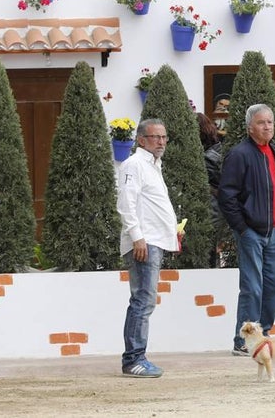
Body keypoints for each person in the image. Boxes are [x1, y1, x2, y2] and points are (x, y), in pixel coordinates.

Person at [218, 104, 275, 356]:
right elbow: (227, 195)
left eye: (270, 122)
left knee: (274, 286)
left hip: (274, 232)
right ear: (250, 127)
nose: (267, 126)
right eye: (261, 122)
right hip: (251, 231)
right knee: (252, 286)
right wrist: (241, 227)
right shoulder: (240, 154)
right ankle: (243, 340)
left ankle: (263, 334)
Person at [115, 119, 178, 378]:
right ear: (141, 140)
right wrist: (138, 237)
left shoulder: (153, 166)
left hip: (153, 240)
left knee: (145, 299)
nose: (161, 142)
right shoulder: (134, 164)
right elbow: (126, 203)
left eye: (164, 137)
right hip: (145, 242)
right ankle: (133, 359)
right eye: (155, 137)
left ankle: (136, 356)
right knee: (142, 300)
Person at [197, 112, 227, 267]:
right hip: (218, 213)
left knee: (208, 258)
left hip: (212, 213)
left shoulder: (207, 159)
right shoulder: (219, 150)